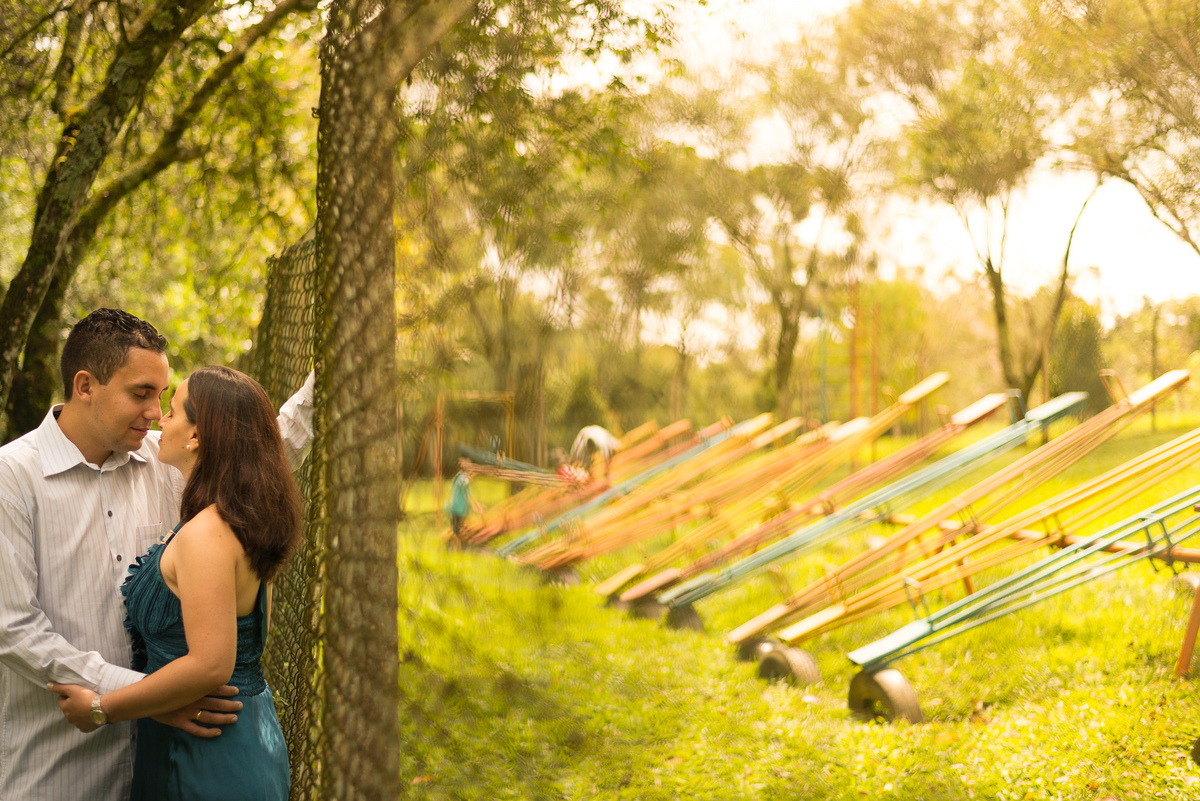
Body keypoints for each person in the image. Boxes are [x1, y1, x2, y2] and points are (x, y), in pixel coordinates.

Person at [0, 309, 312, 800]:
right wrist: (133, 696)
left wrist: (324, 381)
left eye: (164, 397)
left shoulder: (161, 459)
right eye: (141, 393)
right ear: (85, 386)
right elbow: (15, 629)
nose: (154, 412)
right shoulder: (13, 476)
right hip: (61, 766)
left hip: (174, 757)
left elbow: (251, 451)